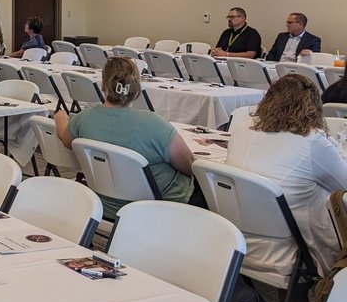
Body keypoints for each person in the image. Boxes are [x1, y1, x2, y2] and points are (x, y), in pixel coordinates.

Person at [226, 75, 347, 276]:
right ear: (313, 107)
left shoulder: (241, 129)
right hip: (290, 246)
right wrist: (331, 144)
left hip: (239, 238)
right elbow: (343, 184)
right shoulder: (311, 142)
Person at [55, 56, 196, 218]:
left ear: (103, 84)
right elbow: (189, 166)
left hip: (104, 203)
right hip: (158, 205)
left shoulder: (84, 118)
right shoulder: (154, 123)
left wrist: (61, 119)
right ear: (136, 87)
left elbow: (66, 140)